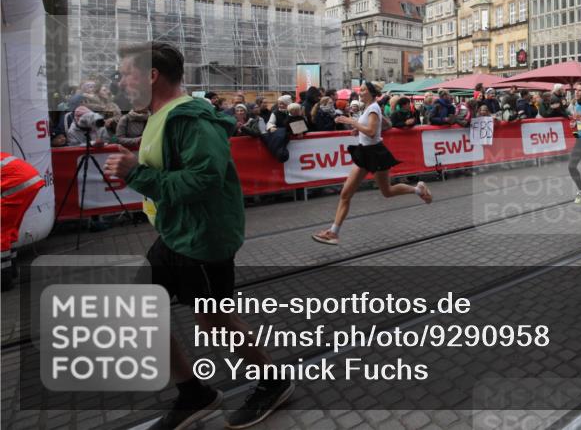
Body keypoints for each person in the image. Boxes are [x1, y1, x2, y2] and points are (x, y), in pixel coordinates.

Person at [104, 42, 294, 429]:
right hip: (175, 232)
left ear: (152, 75)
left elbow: (204, 180)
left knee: (215, 322)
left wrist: (134, 173)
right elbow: (178, 162)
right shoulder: (162, 115)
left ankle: (273, 383)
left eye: (127, 73)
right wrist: (139, 159)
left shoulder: (191, 118)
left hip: (202, 237)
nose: (122, 81)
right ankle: (193, 393)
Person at [312, 81, 432, 245]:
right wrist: (357, 129)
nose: (360, 93)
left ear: (370, 93)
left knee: (387, 192)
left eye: (362, 90)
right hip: (364, 152)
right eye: (359, 90)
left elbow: (371, 131)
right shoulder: (368, 108)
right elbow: (375, 127)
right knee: (345, 193)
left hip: (376, 153)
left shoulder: (374, 108)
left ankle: (418, 189)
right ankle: (333, 232)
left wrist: (353, 123)